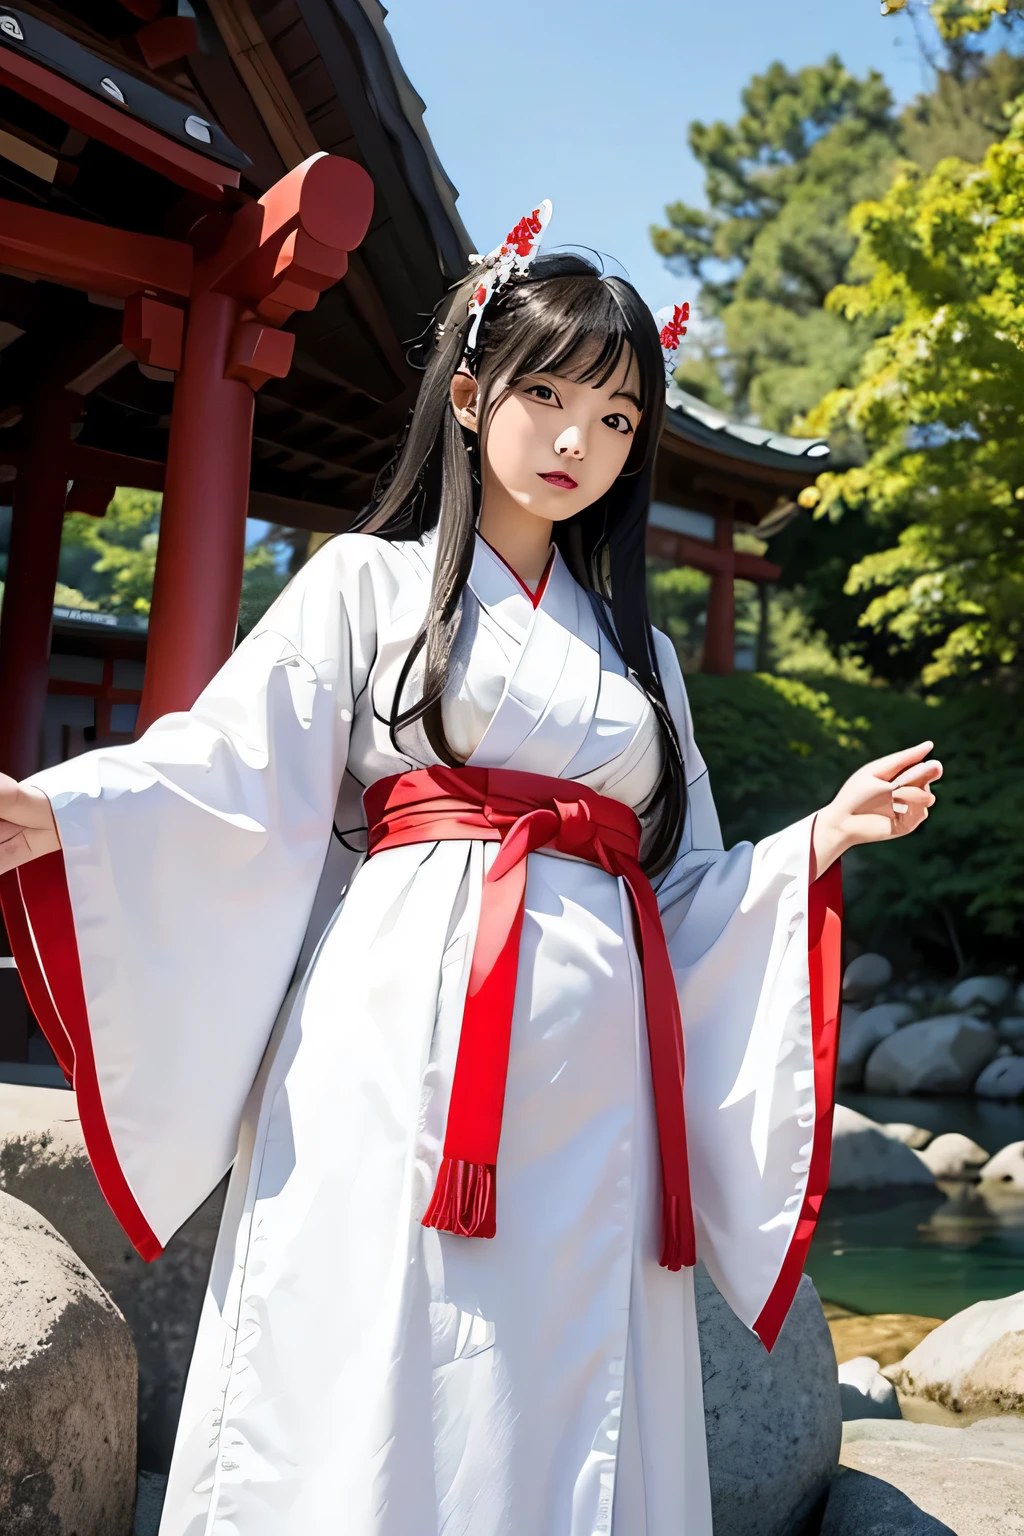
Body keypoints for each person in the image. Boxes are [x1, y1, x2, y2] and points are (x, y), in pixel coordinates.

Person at [0, 210, 941, 1535]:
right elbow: (225, 769)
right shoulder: (365, 586)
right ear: (467, 394)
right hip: (396, 1043)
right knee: (377, 1324)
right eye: (546, 396)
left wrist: (817, 844)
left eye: (616, 418)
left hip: (600, 1083)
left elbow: (682, 891)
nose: (575, 442)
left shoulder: (642, 660)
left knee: (574, 1370)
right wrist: (59, 814)